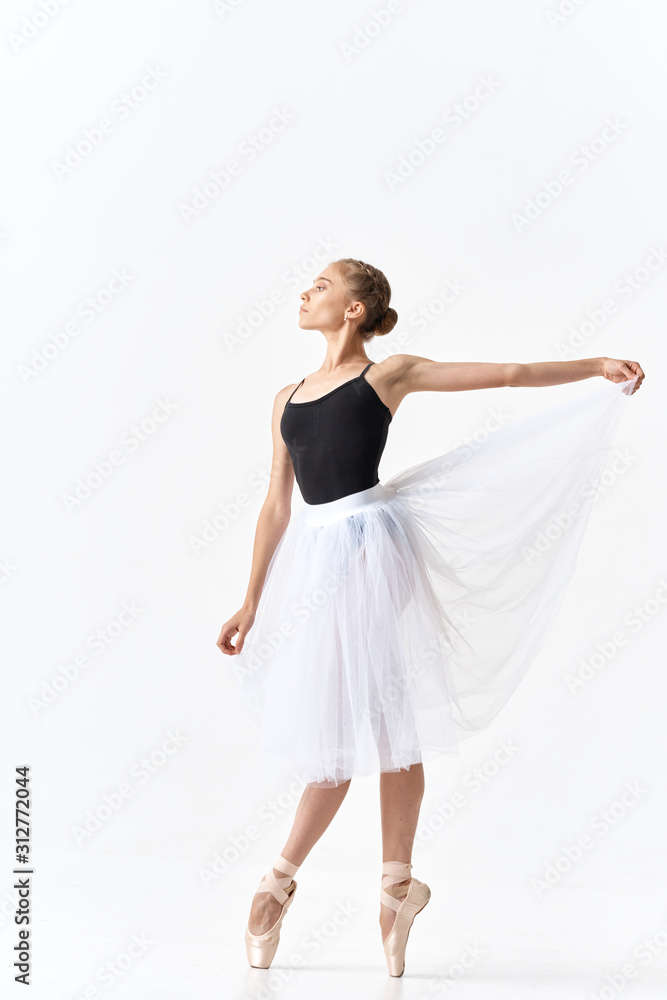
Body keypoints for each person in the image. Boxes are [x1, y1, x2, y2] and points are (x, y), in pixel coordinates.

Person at [216, 257, 644, 976]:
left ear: (354, 310)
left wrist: (595, 363)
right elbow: (274, 504)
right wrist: (251, 600)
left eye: (320, 286)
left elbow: (505, 376)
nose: (304, 292)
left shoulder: (389, 375)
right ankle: (287, 881)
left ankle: (384, 885)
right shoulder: (285, 397)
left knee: (387, 724)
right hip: (313, 561)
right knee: (330, 729)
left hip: (371, 551)